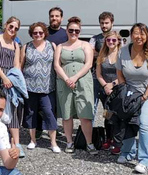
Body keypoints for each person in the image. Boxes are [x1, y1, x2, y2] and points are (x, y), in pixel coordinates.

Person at [116, 23, 148, 174]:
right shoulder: (123, 51)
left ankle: (146, 160)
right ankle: (127, 153)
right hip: (129, 93)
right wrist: (125, 92)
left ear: (146, 36)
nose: (138, 37)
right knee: (127, 121)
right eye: (135, 33)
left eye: (142, 34)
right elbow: (119, 73)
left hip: (147, 93)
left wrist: (145, 95)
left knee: (144, 124)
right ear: (131, 35)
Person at [53, 17, 96, 154]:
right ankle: (69, 142)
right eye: (71, 30)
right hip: (64, 82)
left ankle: (89, 143)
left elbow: (89, 64)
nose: (73, 33)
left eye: (76, 30)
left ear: (80, 31)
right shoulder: (60, 46)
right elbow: (56, 65)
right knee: (67, 113)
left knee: (85, 113)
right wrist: (66, 79)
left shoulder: (85, 45)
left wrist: (75, 77)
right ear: (66, 30)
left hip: (83, 81)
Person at [20, 22, 59, 153]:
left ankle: (53, 142)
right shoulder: (26, 47)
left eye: (40, 32)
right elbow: (21, 65)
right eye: (35, 32)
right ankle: (33, 140)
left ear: (44, 33)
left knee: (49, 112)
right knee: (31, 113)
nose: (38, 35)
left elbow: (56, 65)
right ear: (31, 33)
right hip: (30, 86)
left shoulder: (52, 46)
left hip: (47, 87)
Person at [0, 17, 23, 154]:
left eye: (15, 28)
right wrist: (3, 78)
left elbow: (17, 64)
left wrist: (14, 80)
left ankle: (16, 143)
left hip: (11, 79)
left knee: (13, 108)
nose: (12, 30)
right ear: (6, 25)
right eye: (11, 26)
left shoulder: (15, 45)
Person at [95, 30, 121, 152]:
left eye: (113, 40)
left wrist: (113, 84)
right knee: (107, 115)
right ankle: (108, 138)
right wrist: (105, 85)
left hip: (119, 89)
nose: (111, 42)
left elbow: (124, 74)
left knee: (118, 116)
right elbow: (98, 74)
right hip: (105, 91)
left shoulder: (122, 55)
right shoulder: (102, 55)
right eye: (108, 40)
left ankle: (118, 141)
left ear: (118, 41)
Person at [89, 11, 114, 110]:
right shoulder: (94, 38)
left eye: (106, 23)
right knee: (92, 107)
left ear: (112, 23)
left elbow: (119, 56)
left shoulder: (117, 39)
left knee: (111, 108)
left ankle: (109, 126)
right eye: (102, 23)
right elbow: (90, 53)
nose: (104, 25)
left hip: (113, 78)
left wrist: (98, 54)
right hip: (96, 76)